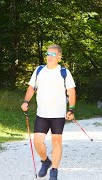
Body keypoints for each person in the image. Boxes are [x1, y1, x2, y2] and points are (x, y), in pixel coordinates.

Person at [21, 44, 76, 180]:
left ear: (59, 57)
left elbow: (71, 91)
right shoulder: (39, 70)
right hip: (42, 114)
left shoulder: (64, 72)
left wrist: (71, 109)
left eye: (52, 54)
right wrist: (26, 101)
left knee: (56, 142)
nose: (49, 57)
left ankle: (54, 171)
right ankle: (46, 161)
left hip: (57, 115)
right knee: (37, 142)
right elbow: (31, 87)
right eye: (47, 54)